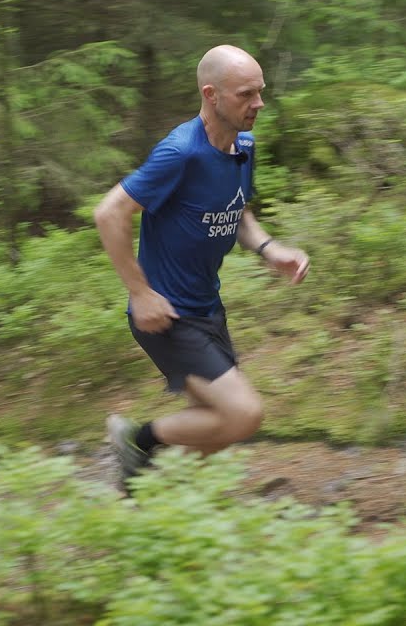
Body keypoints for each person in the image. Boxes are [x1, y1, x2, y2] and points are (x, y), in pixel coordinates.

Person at [93, 44, 311, 493]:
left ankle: (153, 495)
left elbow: (238, 211)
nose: (258, 103)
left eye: (260, 92)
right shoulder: (181, 153)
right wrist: (140, 293)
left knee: (213, 426)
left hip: (207, 308)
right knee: (243, 415)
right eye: (245, 94)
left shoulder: (242, 146)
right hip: (167, 315)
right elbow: (109, 213)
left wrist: (269, 249)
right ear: (211, 95)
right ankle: (136, 440)